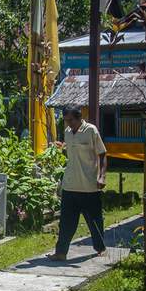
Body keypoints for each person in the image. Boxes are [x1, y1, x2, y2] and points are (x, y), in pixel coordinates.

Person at [48, 106, 107, 261]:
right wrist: (62, 147)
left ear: (80, 118)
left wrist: (102, 176)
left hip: (89, 186)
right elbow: (73, 150)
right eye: (66, 120)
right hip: (70, 184)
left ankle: (100, 248)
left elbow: (102, 154)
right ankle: (61, 252)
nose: (68, 123)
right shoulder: (67, 133)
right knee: (66, 222)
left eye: (71, 120)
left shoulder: (91, 130)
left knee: (94, 220)